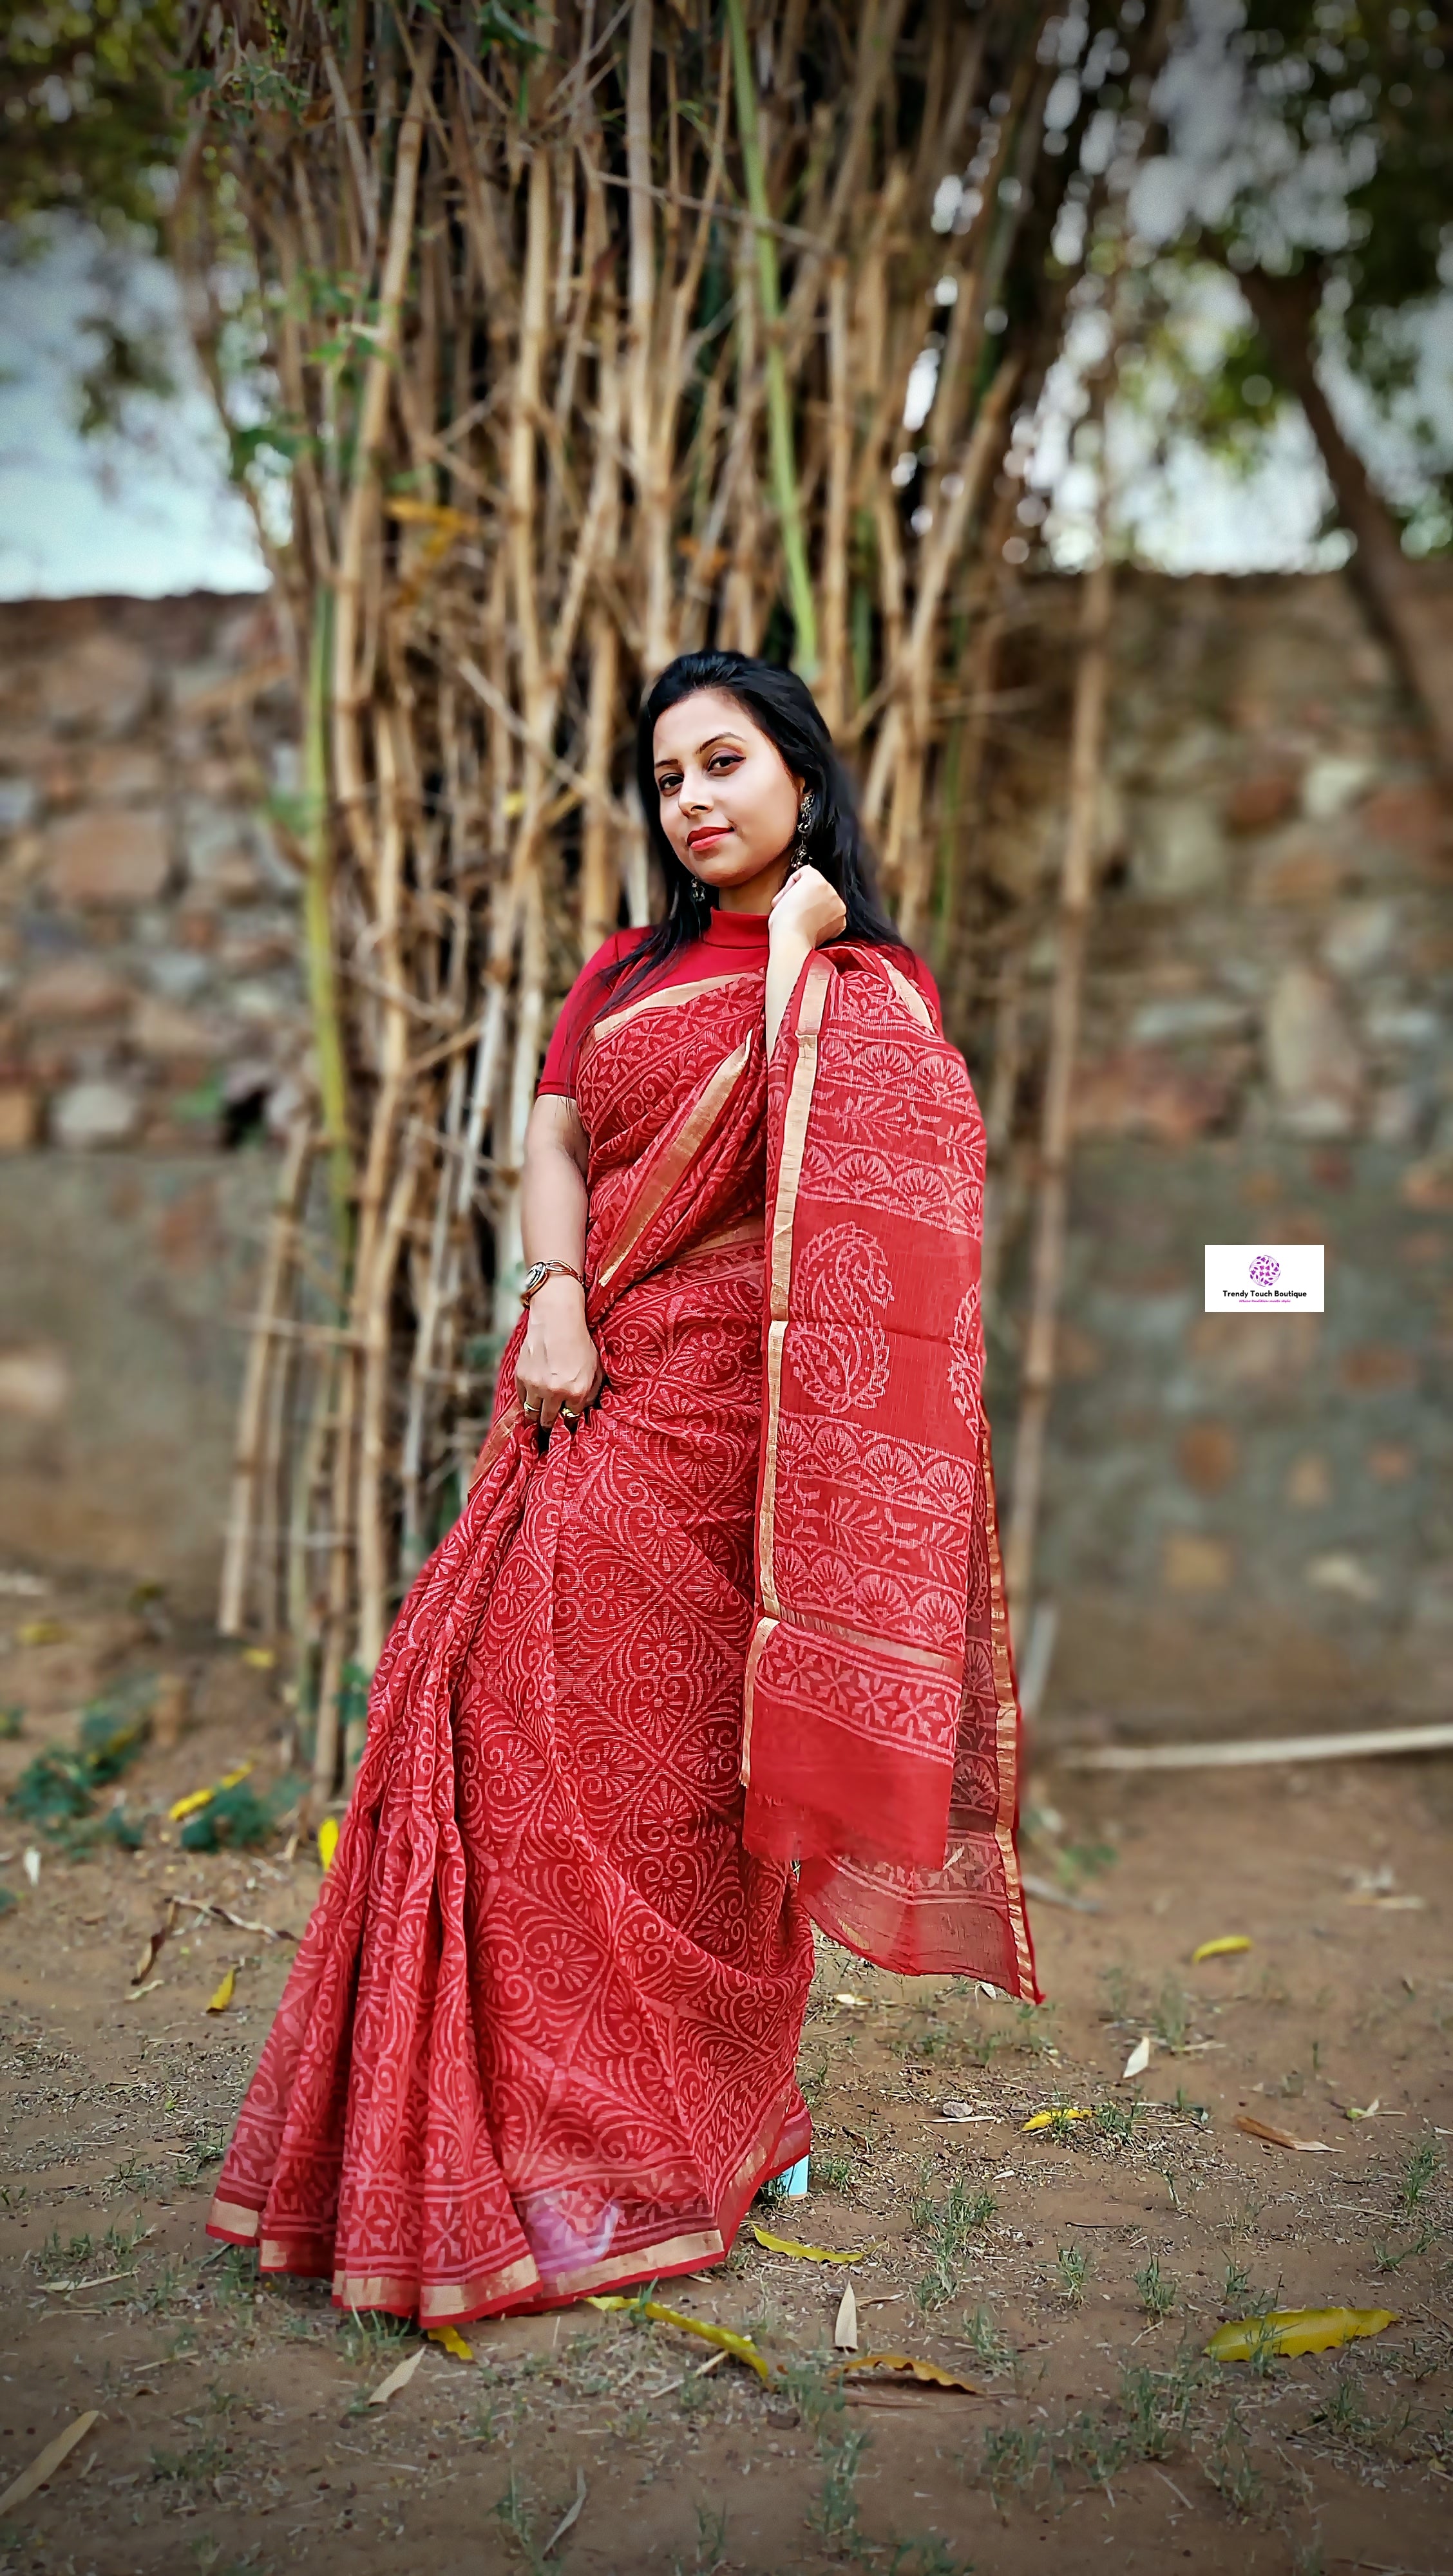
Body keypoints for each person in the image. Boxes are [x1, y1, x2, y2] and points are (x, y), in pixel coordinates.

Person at [206, 649, 1036, 2328]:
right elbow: (557, 1141)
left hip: (785, 1447)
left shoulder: (871, 980)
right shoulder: (624, 970)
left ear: (802, 774)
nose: (696, 801)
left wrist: (807, 958)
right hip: (615, 1395)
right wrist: (556, 1296)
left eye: (726, 763)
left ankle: (728, 2108)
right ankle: (548, 2116)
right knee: (514, 1717)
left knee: (711, 1787)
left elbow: (915, 1205)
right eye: (669, 778)